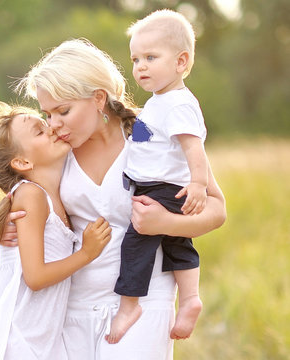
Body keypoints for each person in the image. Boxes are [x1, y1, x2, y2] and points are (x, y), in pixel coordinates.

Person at [2, 38, 226, 359]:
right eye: (47, 114)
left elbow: (216, 209)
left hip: (144, 301)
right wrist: (2, 226)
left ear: (98, 98)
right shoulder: (58, 151)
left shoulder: (150, 132)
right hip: (72, 305)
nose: (54, 125)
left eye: (63, 111)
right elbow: (22, 196)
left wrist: (168, 222)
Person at [0, 100, 112, 360]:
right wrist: (86, 253)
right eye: (39, 131)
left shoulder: (54, 186)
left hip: (42, 339)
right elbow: (34, 278)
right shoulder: (32, 196)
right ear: (23, 162)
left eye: (45, 123)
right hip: (20, 338)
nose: (51, 128)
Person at [110, 9, 207, 344]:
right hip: (164, 184)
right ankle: (191, 298)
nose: (141, 67)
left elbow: (194, 149)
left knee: (137, 240)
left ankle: (129, 305)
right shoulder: (160, 101)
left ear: (181, 62)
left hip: (162, 188)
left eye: (151, 57)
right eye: (136, 59)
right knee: (177, 243)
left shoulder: (177, 104)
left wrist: (198, 183)